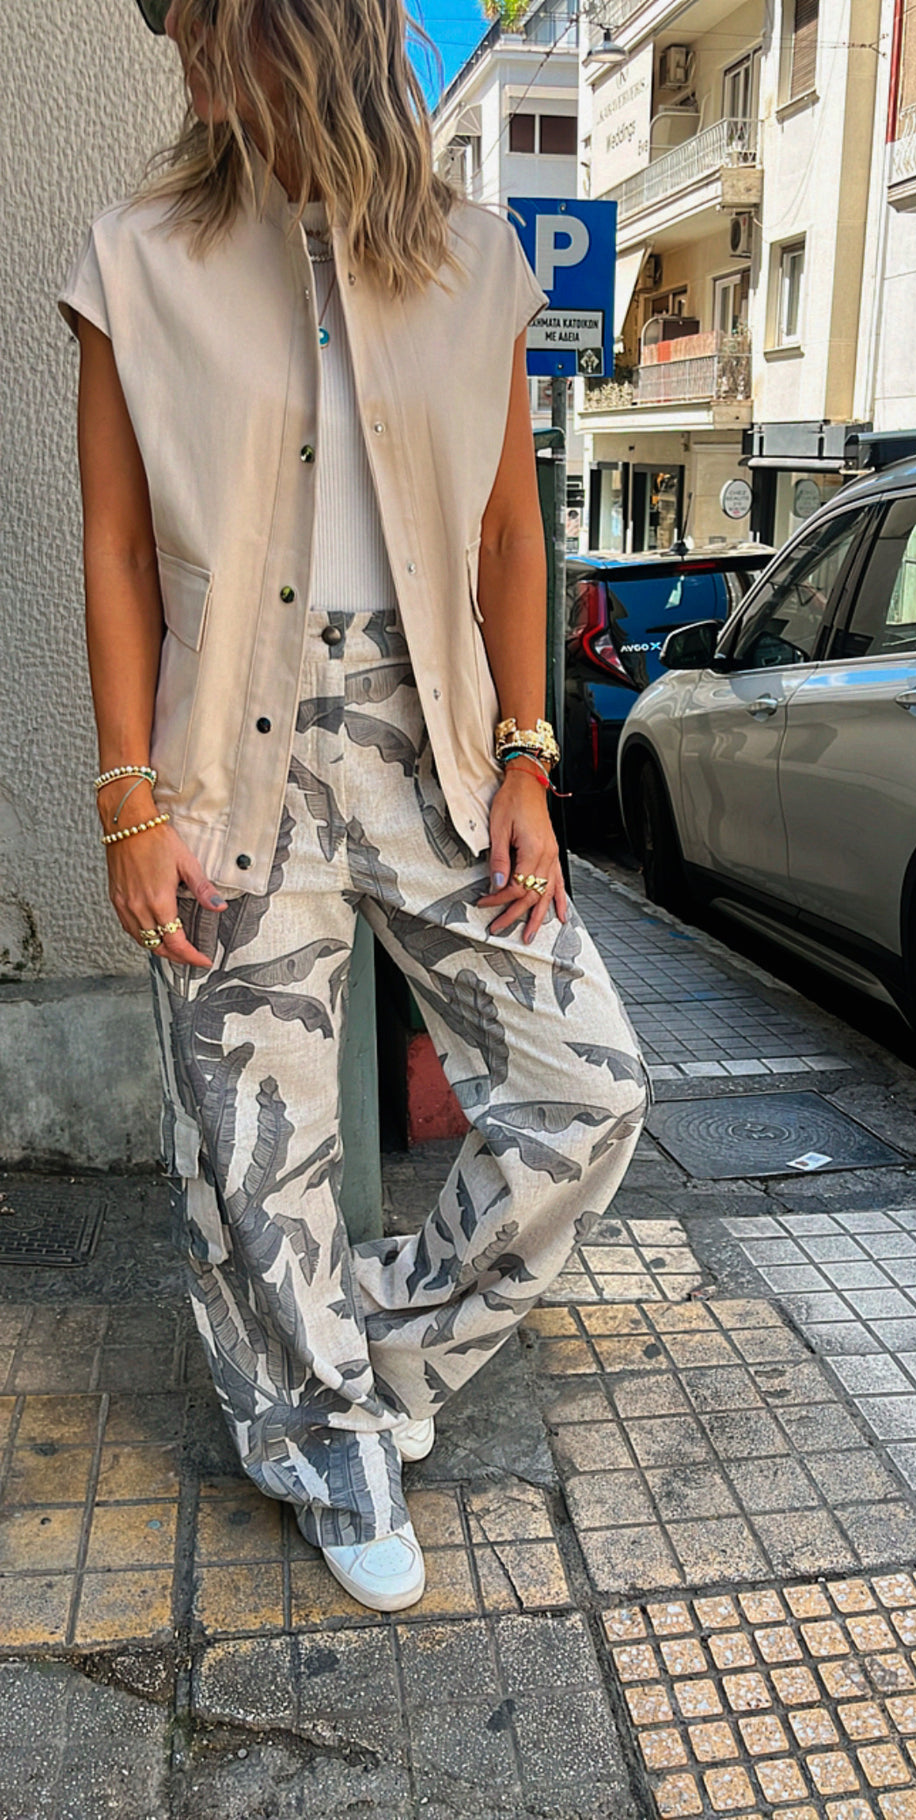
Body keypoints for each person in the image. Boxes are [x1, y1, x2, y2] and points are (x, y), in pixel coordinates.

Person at [60, 0, 649, 1613]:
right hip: (224, 754)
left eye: (209, 25)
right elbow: (117, 553)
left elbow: (510, 537)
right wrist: (126, 801)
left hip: (433, 742)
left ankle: (359, 1367)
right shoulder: (137, 260)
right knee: (259, 1147)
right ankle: (325, 1435)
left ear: (313, 28)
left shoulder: (475, 261)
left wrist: (528, 758)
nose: (187, 57)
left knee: (586, 1087)